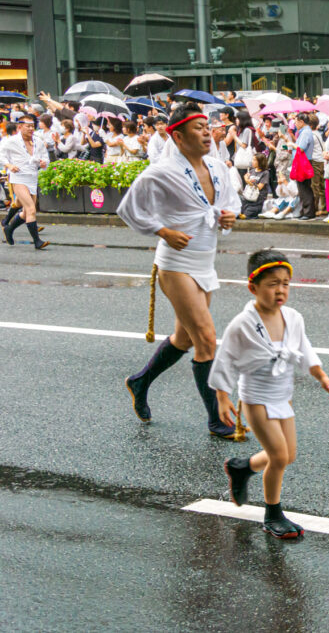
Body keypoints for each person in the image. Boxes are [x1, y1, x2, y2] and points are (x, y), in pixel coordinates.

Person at [117, 103, 242, 438]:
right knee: (206, 339)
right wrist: (163, 231)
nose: (207, 132)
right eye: (198, 128)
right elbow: (128, 209)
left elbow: (230, 203)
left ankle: (139, 381)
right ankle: (217, 419)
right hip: (175, 264)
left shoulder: (217, 167)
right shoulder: (161, 170)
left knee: (184, 338)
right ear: (177, 135)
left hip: (205, 259)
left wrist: (229, 217)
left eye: (207, 126)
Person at [213, 250, 329, 539]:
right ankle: (272, 514)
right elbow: (225, 359)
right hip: (256, 398)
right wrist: (222, 397)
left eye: (285, 283)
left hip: (283, 394)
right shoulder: (243, 324)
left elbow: (304, 348)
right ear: (253, 288)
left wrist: (321, 375)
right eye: (272, 284)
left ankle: (242, 468)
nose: (280, 290)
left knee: (287, 455)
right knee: (279, 456)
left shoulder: (293, 317)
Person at [1, 115, 50, 249]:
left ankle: (9, 229)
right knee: (31, 209)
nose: (30, 129)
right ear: (20, 127)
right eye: (27, 126)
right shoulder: (11, 141)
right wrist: (9, 165)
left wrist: (44, 163)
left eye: (32, 126)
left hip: (32, 177)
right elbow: (1, 155)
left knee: (25, 212)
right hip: (18, 177)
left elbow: (45, 158)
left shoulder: (38, 141)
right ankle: (37, 242)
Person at [240, 153, 270, 219]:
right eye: (252, 160)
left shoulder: (265, 173)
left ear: (260, 161)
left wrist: (247, 180)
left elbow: (259, 187)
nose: (252, 162)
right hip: (248, 196)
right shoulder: (251, 171)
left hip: (257, 199)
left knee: (250, 211)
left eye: (254, 160)